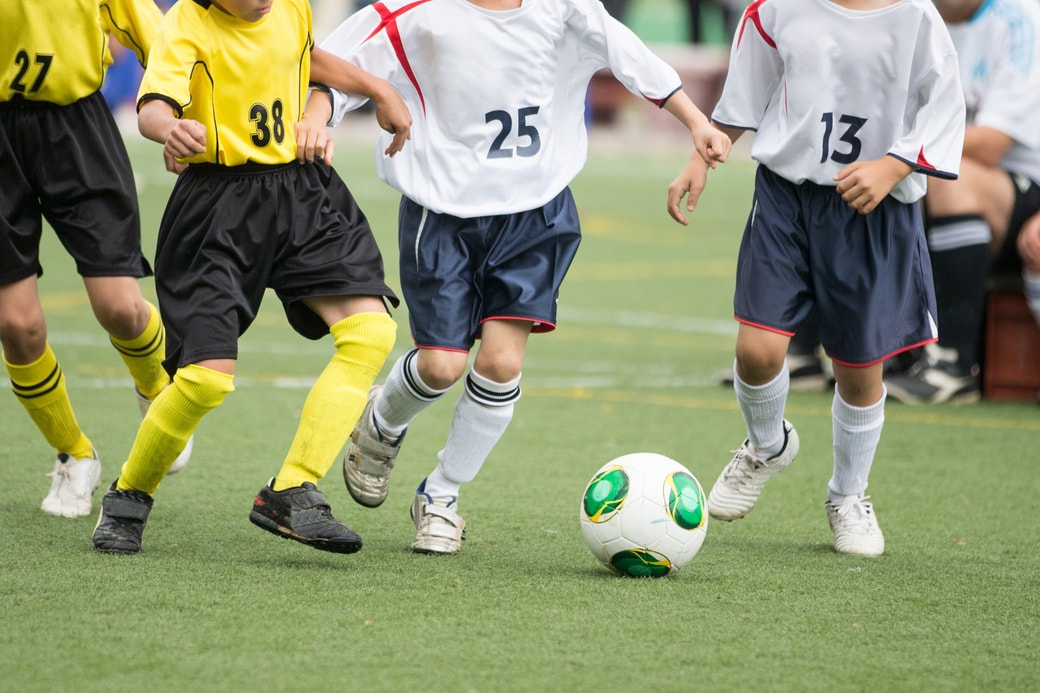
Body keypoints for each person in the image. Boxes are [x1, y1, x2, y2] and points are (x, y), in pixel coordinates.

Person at [310, 0, 731, 556]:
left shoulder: (566, 8)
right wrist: (317, 118)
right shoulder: (416, 11)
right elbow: (335, 64)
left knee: (502, 361)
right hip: (443, 211)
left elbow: (630, 55)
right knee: (441, 365)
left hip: (537, 210)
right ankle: (381, 424)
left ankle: (441, 496)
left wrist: (697, 122)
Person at [90, 0, 413, 555]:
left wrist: (378, 89)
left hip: (300, 193)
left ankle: (291, 488)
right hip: (216, 209)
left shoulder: (290, 7)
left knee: (371, 332)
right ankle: (127, 496)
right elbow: (152, 108)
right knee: (206, 379)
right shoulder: (186, 24)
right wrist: (171, 129)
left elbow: (306, 57)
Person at [704, 0, 965, 556]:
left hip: (874, 209)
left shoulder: (916, 16)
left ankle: (848, 496)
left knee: (859, 370)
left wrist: (893, 165)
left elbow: (943, 104)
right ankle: (767, 446)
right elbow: (744, 96)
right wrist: (699, 160)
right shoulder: (775, 8)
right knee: (756, 351)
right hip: (785, 198)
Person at [0, 0, 193, 520]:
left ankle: (158, 389)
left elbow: (159, 36)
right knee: (15, 326)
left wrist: (178, 114)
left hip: (76, 131)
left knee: (122, 308)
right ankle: (74, 455)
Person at [884, 0, 1040, 405]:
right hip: (957, 188)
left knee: (944, 174)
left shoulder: (1021, 21)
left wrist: (894, 156)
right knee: (869, 181)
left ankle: (953, 366)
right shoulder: (906, 18)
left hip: (1025, 192)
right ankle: (887, 351)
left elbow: (990, 145)